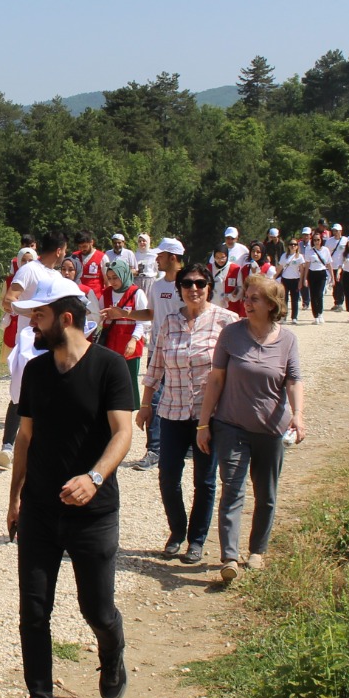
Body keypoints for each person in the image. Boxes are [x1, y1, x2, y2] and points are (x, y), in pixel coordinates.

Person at [2, 276, 135, 698]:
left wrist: (94, 477)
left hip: (92, 511)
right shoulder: (35, 372)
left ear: (66, 318)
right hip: (39, 509)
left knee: (95, 608)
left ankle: (112, 647)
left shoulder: (110, 368)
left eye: (38, 316)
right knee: (33, 611)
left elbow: (123, 434)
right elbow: (25, 438)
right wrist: (15, 497)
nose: (31, 325)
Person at [198, 275, 305, 582]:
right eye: (247, 296)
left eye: (255, 298)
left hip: (271, 429)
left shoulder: (287, 340)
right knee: (232, 488)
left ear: (272, 305)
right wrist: (204, 424)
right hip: (231, 425)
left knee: (266, 493)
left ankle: (257, 550)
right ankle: (229, 557)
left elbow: (294, 381)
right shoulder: (231, 335)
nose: (247, 302)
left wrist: (299, 415)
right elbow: (216, 380)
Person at [137, 261, 235, 565]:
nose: (194, 289)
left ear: (209, 287)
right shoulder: (168, 324)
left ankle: (197, 540)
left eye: (200, 283)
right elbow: (155, 366)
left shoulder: (227, 322)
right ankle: (177, 532)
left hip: (209, 416)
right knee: (168, 476)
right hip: (172, 410)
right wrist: (145, 404)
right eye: (187, 284)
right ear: (179, 289)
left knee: (204, 480)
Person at [0, 233, 66, 471]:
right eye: (64, 251)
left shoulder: (55, 276)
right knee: (21, 393)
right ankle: (7, 445)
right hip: (29, 344)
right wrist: (36, 316)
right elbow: (9, 300)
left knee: (50, 394)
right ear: (59, 250)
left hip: (53, 342)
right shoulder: (29, 270)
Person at [120, 236, 185, 471]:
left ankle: (183, 445)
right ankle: (154, 449)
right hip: (157, 351)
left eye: (161, 255)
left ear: (173, 258)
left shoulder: (188, 285)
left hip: (182, 352)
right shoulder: (157, 285)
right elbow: (150, 313)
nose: (156, 259)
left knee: (182, 397)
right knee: (155, 399)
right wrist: (125, 314)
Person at [96, 262, 147, 409]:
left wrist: (134, 340)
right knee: (110, 379)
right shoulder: (106, 293)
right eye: (109, 278)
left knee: (128, 379)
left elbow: (143, 321)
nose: (112, 282)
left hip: (129, 346)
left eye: (116, 278)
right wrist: (101, 316)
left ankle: (128, 410)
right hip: (110, 345)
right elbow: (97, 316)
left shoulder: (136, 293)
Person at [303, 230, 332, 325]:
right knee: (313, 295)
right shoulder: (309, 251)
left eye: (318, 240)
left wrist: (333, 277)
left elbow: (329, 264)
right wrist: (305, 278)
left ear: (321, 240)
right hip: (312, 274)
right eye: (315, 240)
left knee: (319, 294)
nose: (316, 242)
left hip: (322, 273)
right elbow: (307, 265)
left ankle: (320, 314)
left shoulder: (325, 250)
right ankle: (315, 316)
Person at [278, 239, 305, 322]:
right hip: (285, 279)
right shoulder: (284, 256)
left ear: (297, 246)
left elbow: (302, 270)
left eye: (295, 244)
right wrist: (274, 277)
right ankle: (284, 316)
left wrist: (301, 281)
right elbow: (280, 268)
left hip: (295, 280)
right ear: (288, 246)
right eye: (291, 244)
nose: (293, 246)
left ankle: (294, 317)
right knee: (284, 300)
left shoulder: (299, 257)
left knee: (295, 300)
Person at [72, 231, 107, 295]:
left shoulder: (103, 257)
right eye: (79, 247)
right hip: (78, 295)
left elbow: (107, 281)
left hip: (96, 297)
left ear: (91, 242)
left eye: (84, 246)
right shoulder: (74, 257)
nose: (82, 249)